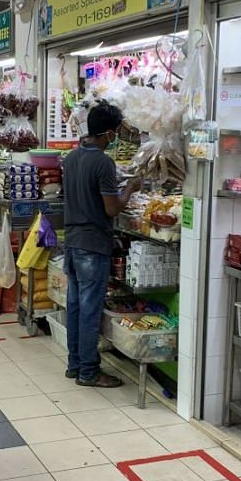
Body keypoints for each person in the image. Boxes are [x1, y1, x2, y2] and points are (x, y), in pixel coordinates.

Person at [62, 101, 141, 388]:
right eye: (117, 132)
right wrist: (130, 189)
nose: (117, 137)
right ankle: (89, 372)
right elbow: (111, 209)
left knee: (74, 307)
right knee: (89, 309)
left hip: (71, 242)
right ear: (109, 133)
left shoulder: (71, 159)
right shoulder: (103, 163)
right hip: (93, 244)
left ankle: (75, 364)